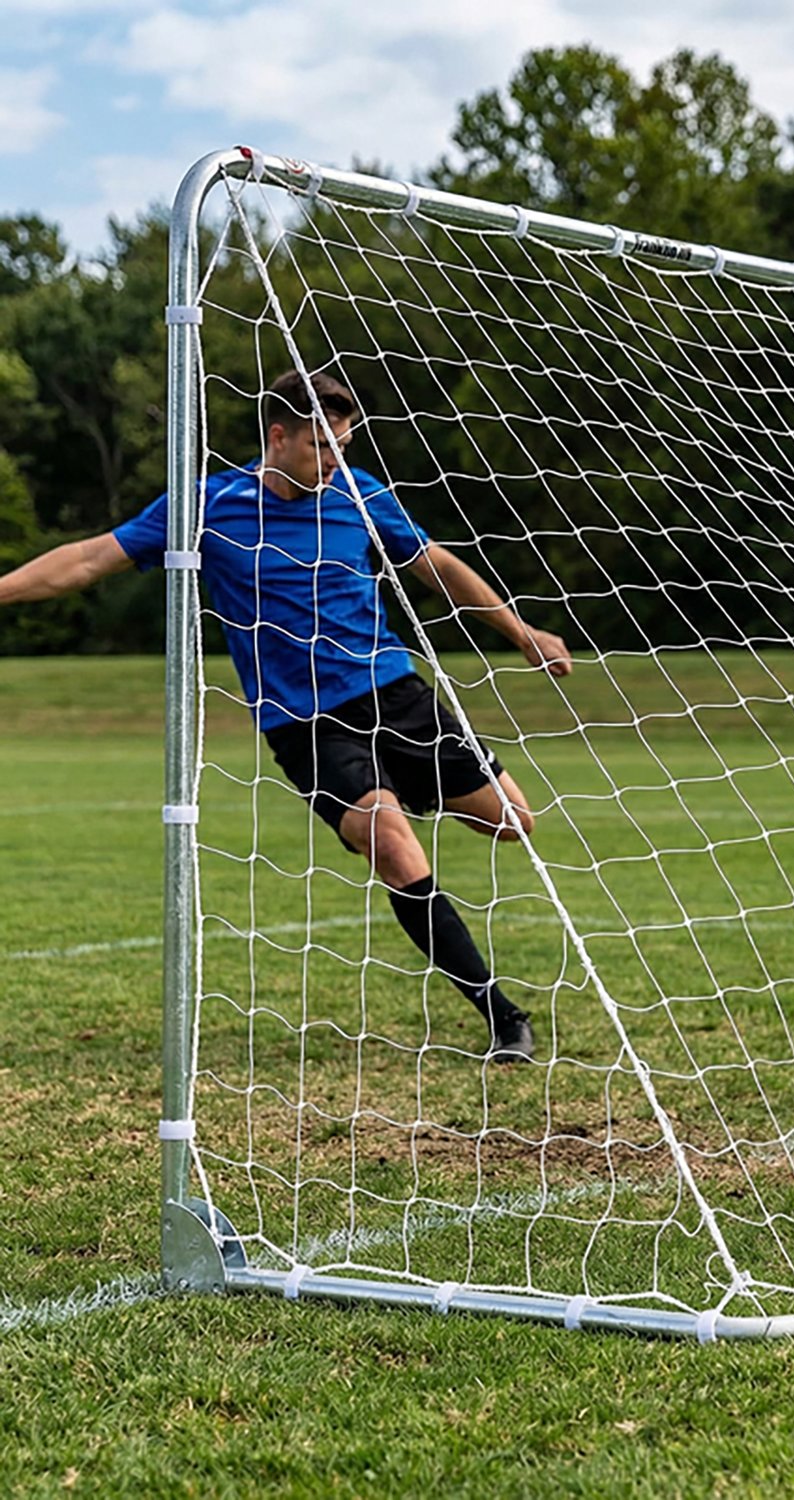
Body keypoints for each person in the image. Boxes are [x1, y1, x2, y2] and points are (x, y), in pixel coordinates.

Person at [0, 368, 572, 1062]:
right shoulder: (212, 504)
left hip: (396, 695)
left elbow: (438, 566)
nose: (335, 461)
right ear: (279, 436)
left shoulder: (360, 496)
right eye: (322, 447)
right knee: (391, 846)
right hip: (306, 723)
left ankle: (408, 787)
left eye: (343, 446)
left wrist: (523, 634)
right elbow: (90, 558)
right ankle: (502, 1015)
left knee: (514, 821)